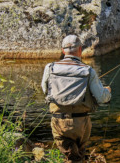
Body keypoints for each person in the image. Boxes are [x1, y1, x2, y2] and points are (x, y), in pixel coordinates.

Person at [41, 35, 111, 163]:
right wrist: (108, 92)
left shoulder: (49, 68)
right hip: (81, 122)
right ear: (80, 50)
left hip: (58, 121)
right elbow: (102, 98)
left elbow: (45, 91)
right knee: (79, 156)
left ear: (63, 51)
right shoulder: (88, 71)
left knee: (68, 157)